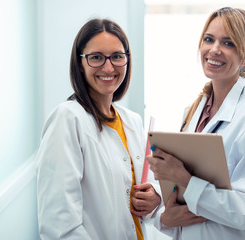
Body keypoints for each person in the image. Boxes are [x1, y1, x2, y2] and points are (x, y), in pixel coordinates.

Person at [147, 7, 245, 240]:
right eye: (209, 39)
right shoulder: (193, 113)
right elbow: (184, 197)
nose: (214, 49)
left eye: (228, 43)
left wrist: (184, 179)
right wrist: (161, 207)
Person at [36, 18, 161, 240]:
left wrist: (154, 197)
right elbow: (59, 226)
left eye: (117, 57)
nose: (108, 67)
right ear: (80, 63)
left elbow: (145, 193)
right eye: (96, 58)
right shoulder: (68, 119)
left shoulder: (132, 121)